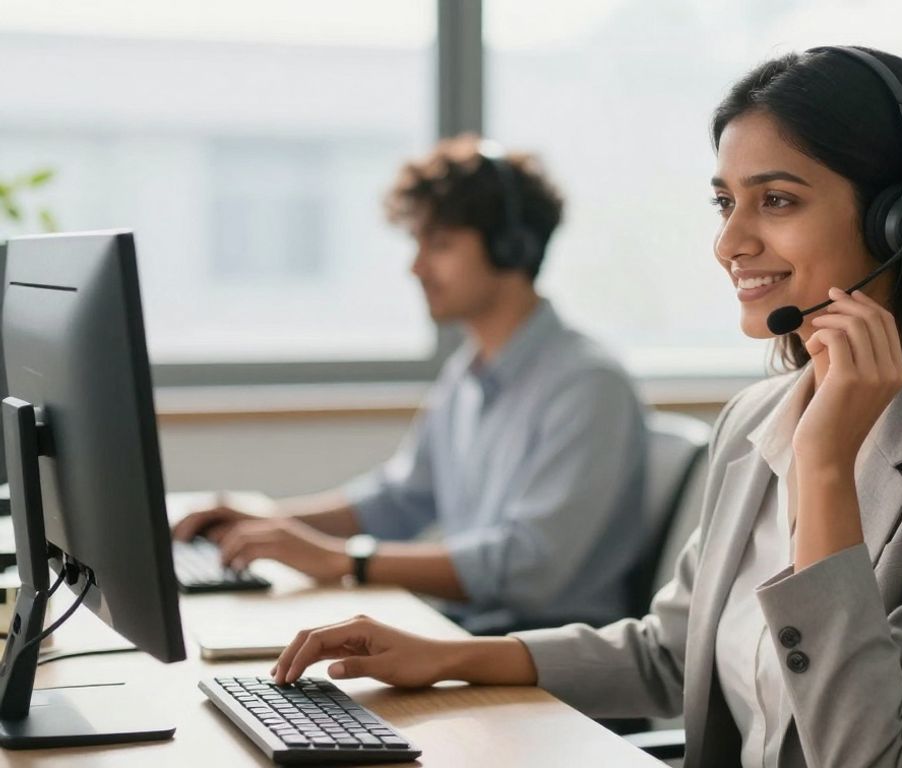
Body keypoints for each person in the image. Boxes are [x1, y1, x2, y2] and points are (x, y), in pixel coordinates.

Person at [272, 46, 902, 768]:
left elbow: (871, 752)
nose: (730, 243)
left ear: (900, 223)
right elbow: (669, 653)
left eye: (776, 200)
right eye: (724, 203)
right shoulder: (754, 420)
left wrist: (826, 466)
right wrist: (449, 655)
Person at [173, 135, 648, 635]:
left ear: (512, 247)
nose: (416, 267)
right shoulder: (470, 372)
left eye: (439, 244)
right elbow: (399, 500)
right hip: (470, 635)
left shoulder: (588, 385)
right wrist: (264, 522)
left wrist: (344, 561)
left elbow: (528, 568)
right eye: (417, 243)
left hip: (544, 663)